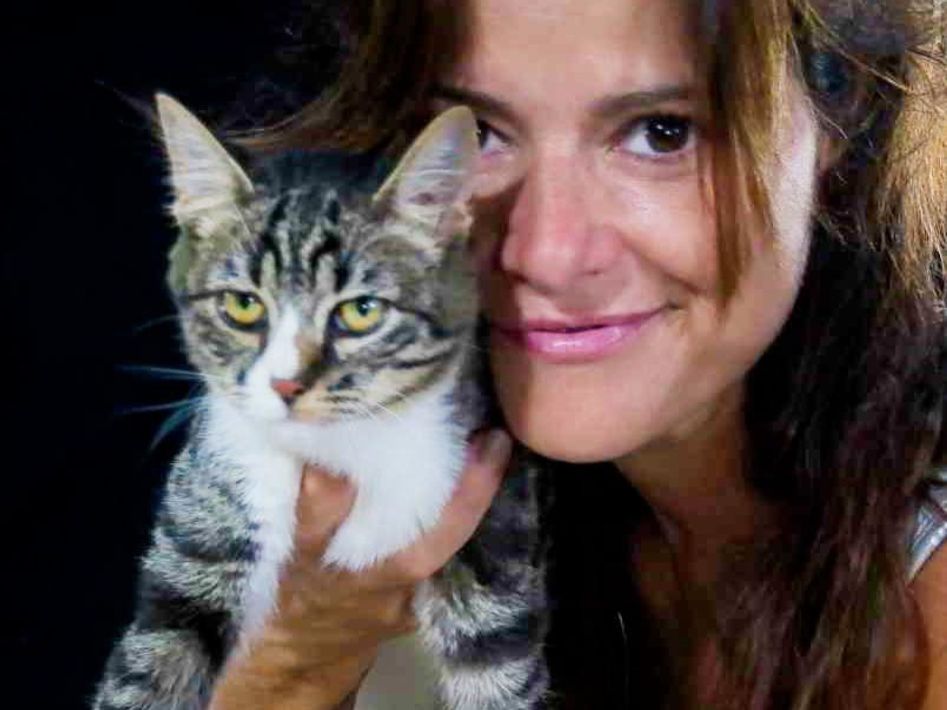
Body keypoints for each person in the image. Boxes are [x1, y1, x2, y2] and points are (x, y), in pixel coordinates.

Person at [208, 0, 947, 707]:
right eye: (479, 133)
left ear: (838, 115)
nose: (544, 255)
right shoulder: (390, 524)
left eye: (663, 133)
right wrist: (298, 654)